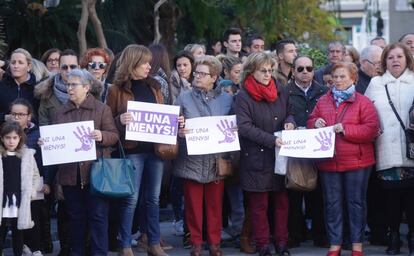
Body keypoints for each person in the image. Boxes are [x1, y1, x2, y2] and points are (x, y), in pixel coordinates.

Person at [308, 62, 380, 256]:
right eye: (335, 77)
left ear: (353, 79)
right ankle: (335, 244)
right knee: (332, 203)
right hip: (329, 161)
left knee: (356, 203)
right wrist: (315, 122)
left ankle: (357, 244)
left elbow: (371, 129)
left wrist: (346, 129)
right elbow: (310, 121)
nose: (337, 80)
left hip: (357, 162)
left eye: (342, 77)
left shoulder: (363, 102)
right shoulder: (323, 101)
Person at [106, 44, 168, 256]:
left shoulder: (155, 87)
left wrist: (175, 122)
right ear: (133, 64)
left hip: (155, 150)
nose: (149, 66)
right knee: (130, 199)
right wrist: (119, 119)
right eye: (145, 63)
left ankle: (154, 243)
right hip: (131, 151)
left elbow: (162, 116)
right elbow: (107, 123)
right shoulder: (115, 89)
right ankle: (125, 245)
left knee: (153, 199)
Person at [50, 68, 118, 255]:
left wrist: (101, 135)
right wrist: (46, 143)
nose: (69, 88)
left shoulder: (101, 109)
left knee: (98, 218)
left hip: (96, 174)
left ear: (86, 87)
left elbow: (114, 136)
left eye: (74, 85)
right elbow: (56, 144)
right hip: (70, 176)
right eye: (67, 85)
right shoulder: (60, 113)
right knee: (76, 219)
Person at [234, 52, 295, 256]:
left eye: (270, 70)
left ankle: (282, 243)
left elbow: (290, 112)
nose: (268, 74)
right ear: (252, 71)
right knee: (259, 206)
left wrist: (290, 122)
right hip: (256, 157)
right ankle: (262, 245)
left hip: (279, 156)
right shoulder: (243, 95)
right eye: (263, 70)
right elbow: (244, 126)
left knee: (281, 203)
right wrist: (271, 140)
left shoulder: (281, 90)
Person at [173, 55, 232, 256]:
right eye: (196, 72)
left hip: (217, 160)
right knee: (193, 206)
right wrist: (179, 130)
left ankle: (215, 244)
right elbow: (172, 123)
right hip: (192, 160)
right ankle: (196, 244)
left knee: (215, 206)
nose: (197, 76)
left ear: (214, 77)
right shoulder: (183, 97)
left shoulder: (227, 99)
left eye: (202, 74)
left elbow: (233, 128)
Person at [365, 42, 414, 255]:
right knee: (391, 200)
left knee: (411, 199)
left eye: (399, 57)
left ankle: (411, 236)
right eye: (391, 57)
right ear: (384, 61)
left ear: (407, 59)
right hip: (386, 148)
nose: (395, 60)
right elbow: (365, 112)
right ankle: (393, 237)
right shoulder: (376, 83)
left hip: (411, 150)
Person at [286, 56, 328, 248]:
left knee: (318, 195)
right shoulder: (284, 92)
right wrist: (289, 122)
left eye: (309, 68)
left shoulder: (324, 91)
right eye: (300, 68)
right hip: (293, 148)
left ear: (314, 70)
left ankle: (320, 235)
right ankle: (295, 235)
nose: (305, 72)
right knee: (293, 194)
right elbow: (281, 114)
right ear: (293, 71)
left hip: (317, 148)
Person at [9, 98, 49, 256]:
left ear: (29, 116)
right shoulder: (4, 132)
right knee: (13, 217)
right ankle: (21, 247)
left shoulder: (39, 134)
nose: (16, 117)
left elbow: (47, 162)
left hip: (34, 180)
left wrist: (47, 181)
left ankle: (36, 248)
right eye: (13, 114)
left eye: (20, 114)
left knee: (34, 215)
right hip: (11, 182)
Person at [0, 121, 40, 256]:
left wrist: (32, 192)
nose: (11, 141)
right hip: (2, 199)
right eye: (8, 138)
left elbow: (35, 175)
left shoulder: (27, 155)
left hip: (19, 199)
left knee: (19, 231)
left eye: (14, 138)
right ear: (2, 138)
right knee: (2, 230)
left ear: (20, 138)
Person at [0, 48, 39, 124]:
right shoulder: (1, 86)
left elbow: (41, 116)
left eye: (20, 63)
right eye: (13, 62)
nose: (16, 66)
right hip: (4, 132)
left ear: (29, 67)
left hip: (31, 132)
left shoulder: (37, 88)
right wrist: (5, 117)